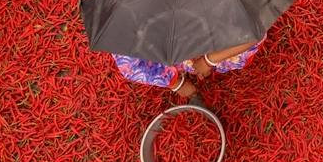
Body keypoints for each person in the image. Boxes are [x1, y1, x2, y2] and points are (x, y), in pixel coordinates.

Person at [112, 41, 264, 103]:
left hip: (223, 39)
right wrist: (175, 83)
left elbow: (252, 36)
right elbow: (131, 65)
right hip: (182, 44)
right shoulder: (128, 39)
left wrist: (208, 61)